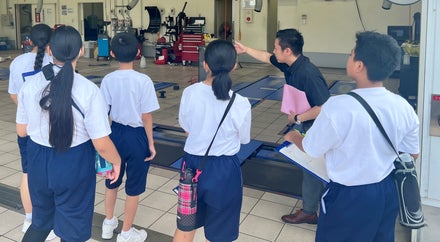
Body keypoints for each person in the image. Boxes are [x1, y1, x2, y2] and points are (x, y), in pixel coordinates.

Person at [285, 31, 420, 241]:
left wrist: (293, 137)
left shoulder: (338, 107)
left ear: (359, 66)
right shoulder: (403, 106)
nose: (349, 58)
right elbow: (412, 154)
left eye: (351, 55)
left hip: (348, 195)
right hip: (387, 190)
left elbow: (311, 148)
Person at [16, 25, 121, 242]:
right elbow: (101, 143)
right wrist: (116, 161)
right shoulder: (89, 90)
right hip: (73, 162)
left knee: (40, 222)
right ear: (80, 51)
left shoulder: (30, 85)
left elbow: (21, 131)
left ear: (49, 51)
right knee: (72, 231)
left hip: (38, 159)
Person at [234, 28, 329, 224]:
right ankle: (311, 207)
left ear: (287, 51)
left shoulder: (307, 73)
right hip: (305, 122)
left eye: (276, 48)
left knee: (312, 167)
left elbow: (324, 107)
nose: (274, 51)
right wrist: (246, 49)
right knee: (308, 166)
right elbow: (267, 57)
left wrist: (298, 118)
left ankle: (311, 211)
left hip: (316, 126)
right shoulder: (290, 65)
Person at [173, 39, 251, 242]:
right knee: (220, 235)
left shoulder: (190, 93)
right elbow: (244, 139)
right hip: (224, 172)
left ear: (205, 64)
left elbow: (186, 126)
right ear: (234, 66)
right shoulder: (241, 103)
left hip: (192, 167)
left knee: (186, 225)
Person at [100, 32, 160, 242]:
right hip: (137, 137)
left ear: (112, 53)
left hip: (115, 134)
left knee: (112, 179)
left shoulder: (108, 80)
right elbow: (146, 116)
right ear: (137, 53)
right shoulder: (143, 81)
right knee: (133, 186)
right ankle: (126, 233)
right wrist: (151, 143)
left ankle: (108, 223)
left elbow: (103, 112)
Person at [8, 23, 54, 237]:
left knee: (27, 173)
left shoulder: (17, 62)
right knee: (51, 174)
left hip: (26, 126)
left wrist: (28, 111)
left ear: (30, 41)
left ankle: (30, 219)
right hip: (51, 128)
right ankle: (48, 220)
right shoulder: (54, 61)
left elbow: (14, 95)